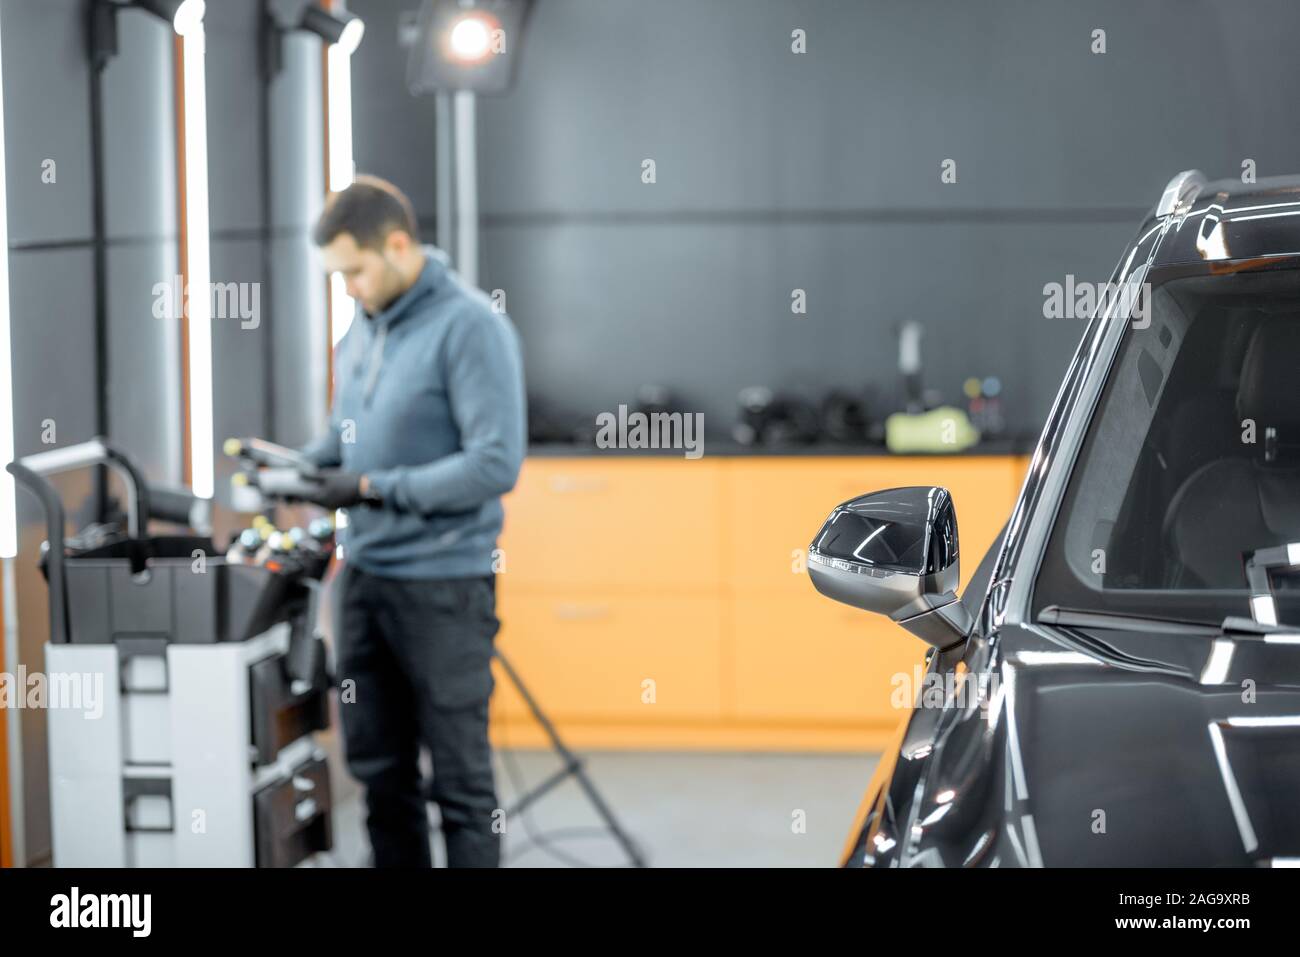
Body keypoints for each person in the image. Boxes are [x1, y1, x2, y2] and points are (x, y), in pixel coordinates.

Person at [297, 174, 526, 868]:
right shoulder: (360, 328)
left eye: (355, 271)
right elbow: (343, 434)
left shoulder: (471, 327)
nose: (349, 288)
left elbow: (494, 465)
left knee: (460, 782)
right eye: (338, 276)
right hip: (364, 578)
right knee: (378, 772)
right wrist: (297, 467)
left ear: (398, 245)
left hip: (444, 587)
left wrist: (370, 486)